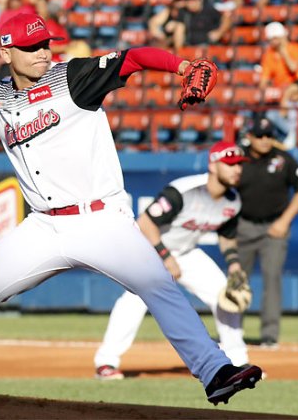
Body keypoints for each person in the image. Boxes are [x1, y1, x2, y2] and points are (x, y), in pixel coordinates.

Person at [0, 13, 262, 405]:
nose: (42, 51)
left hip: (102, 220)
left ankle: (216, 372)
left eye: (45, 43)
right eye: (30, 46)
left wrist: (183, 66)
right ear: (6, 52)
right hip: (42, 228)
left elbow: (134, 58)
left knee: (158, 288)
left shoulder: (72, 78)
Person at [94, 141, 250, 380]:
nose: (236, 169)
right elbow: (146, 223)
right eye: (229, 164)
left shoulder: (233, 200)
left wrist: (235, 264)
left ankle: (238, 360)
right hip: (149, 251)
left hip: (186, 253)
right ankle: (106, 362)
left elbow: (227, 237)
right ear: (213, 165)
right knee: (134, 302)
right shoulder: (183, 191)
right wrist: (165, 257)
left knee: (224, 294)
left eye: (239, 164)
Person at [236, 117, 298, 347]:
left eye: (269, 136)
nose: (265, 140)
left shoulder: (283, 159)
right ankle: (231, 334)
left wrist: (284, 221)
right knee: (236, 281)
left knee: (272, 280)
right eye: (260, 135)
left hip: (274, 228)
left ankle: (269, 336)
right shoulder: (238, 158)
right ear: (250, 137)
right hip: (243, 225)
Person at [258, 22, 298, 90]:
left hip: (297, 87)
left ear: (283, 37)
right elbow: (264, 78)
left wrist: (284, 54)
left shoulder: (295, 49)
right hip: (278, 89)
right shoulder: (269, 53)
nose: (273, 42)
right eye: (271, 39)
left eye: (276, 38)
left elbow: (293, 68)